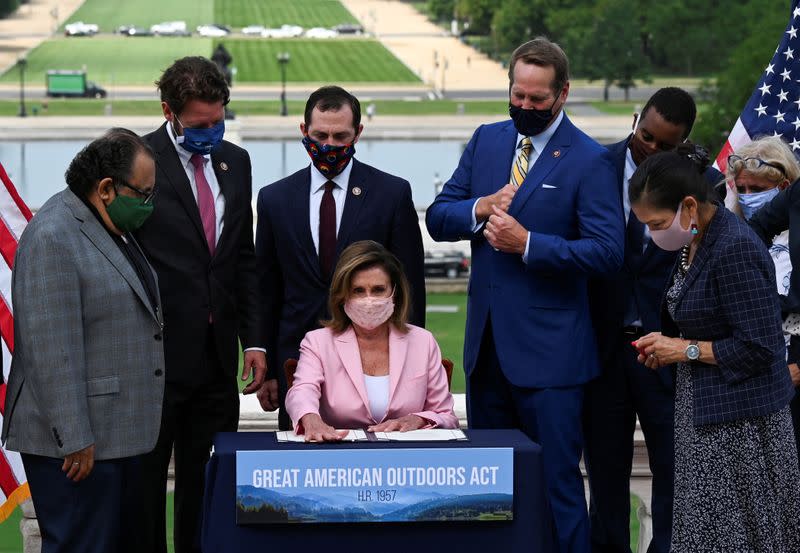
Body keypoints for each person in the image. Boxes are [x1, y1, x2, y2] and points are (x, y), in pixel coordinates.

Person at [425, 37, 624, 553]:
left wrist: (530, 244)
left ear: (562, 95)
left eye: (538, 100)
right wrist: (480, 207)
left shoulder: (590, 160)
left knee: (558, 491)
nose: (525, 108)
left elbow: (606, 253)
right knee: (490, 496)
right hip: (486, 354)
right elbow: (438, 216)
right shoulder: (487, 140)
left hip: (553, 362)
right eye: (518, 96)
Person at [630, 146, 800, 552]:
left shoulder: (734, 248)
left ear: (689, 206)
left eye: (657, 222)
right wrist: (668, 348)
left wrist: (683, 349)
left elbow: (760, 348)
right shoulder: (695, 239)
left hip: (741, 429)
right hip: (704, 418)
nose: (654, 234)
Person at [2, 129, 164, 553]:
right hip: (78, 449)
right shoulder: (54, 236)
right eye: (143, 193)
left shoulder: (105, 223)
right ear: (106, 188)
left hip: (116, 435)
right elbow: (50, 348)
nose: (149, 203)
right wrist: (73, 437)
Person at [135, 57, 267, 553]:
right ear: (169, 112)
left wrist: (253, 340)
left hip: (216, 363)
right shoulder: (136, 159)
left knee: (207, 486)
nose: (211, 132)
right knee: (146, 492)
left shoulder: (237, 161)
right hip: (154, 362)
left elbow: (242, 259)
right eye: (199, 125)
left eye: (218, 121)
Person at [584, 87, 723, 553]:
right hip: (602, 351)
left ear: (683, 142)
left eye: (666, 145)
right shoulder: (592, 167)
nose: (651, 148)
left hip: (667, 357)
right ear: (634, 118)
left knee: (673, 473)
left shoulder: (696, 188)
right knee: (604, 474)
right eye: (646, 136)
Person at [255, 85, 425, 431]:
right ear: (304, 131)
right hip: (297, 363)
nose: (329, 145)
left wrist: (413, 366)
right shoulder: (274, 199)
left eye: (340, 136)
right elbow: (266, 288)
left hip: (379, 366)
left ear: (358, 133)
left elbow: (410, 288)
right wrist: (272, 369)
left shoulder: (392, 194)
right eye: (320, 135)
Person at [286, 241, 457, 439]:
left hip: (407, 460)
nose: (369, 300)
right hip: (338, 455)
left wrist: (418, 419)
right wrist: (311, 419)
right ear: (343, 296)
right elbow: (302, 390)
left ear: (394, 292)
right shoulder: (318, 342)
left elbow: (446, 415)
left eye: (378, 290)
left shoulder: (422, 341)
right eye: (358, 290)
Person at [735, 136, 800, 461]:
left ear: (784, 187)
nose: (747, 198)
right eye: (741, 189)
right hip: (748, 383)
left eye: (757, 190)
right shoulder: (737, 240)